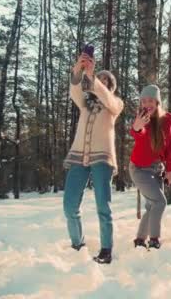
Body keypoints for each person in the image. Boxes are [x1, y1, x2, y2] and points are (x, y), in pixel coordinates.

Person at [63, 53, 124, 264]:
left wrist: (94, 79)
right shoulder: (84, 104)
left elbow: (107, 98)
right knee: (69, 206)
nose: (102, 83)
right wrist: (78, 70)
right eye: (100, 79)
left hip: (102, 159)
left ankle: (106, 249)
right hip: (78, 157)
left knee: (102, 206)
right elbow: (74, 90)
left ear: (111, 87)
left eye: (107, 81)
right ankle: (77, 245)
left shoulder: (115, 105)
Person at [129, 85, 171, 250]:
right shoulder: (141, 118)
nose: (146, 104)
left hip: (158, 168)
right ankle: (154, 239)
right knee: (160, 202)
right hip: (139, 169)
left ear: (157, 101)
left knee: (151, 206)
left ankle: (140, 240)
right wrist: (137, 127)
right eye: (143, 101)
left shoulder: (168, 119)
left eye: (150, 100)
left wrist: (170, 170)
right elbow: (137, 133)